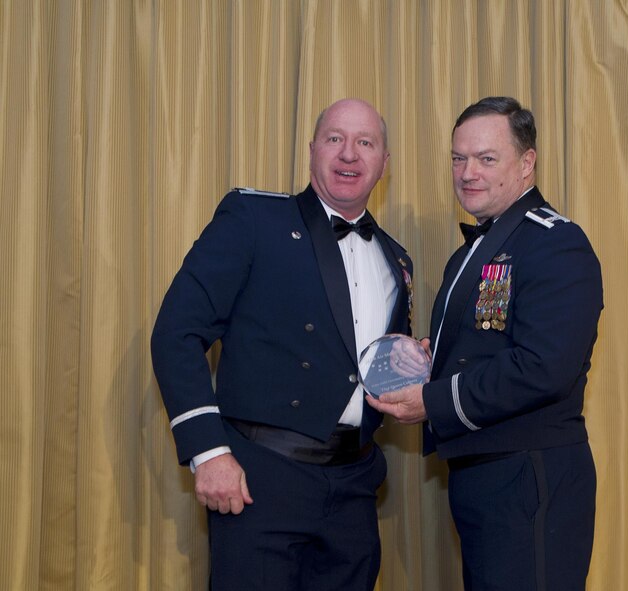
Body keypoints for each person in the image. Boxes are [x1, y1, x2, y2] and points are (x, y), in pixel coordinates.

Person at [151, 98, 413, 590]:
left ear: (384, 163)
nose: (349, 154)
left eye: (365, 143)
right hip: (260, 482)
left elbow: (369, 368)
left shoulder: (395, 259)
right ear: (313, 149)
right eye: (335, 138)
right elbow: (176, 332)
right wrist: (208, 451)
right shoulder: (254, 219)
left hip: (354, 490)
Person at [368, 96, 603, 590]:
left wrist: (430, 399)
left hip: (530, 476)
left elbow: (543, 366)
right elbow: (487, 343)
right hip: (486, 476)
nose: (468, 172)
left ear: (527, 162)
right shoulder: (473, 251)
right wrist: (431, 358)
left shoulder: (555, 242)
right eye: (459, 158)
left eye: (486, 158)